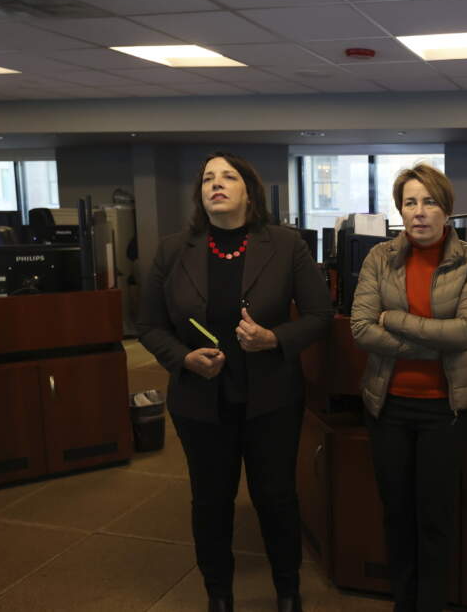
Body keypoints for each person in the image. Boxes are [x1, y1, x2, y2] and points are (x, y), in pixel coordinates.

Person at [138, 152, 333, 612]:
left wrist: (274, 338)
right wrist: (184, 358)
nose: (216, 184)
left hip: (271, 399)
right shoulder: (172, 250)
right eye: (207, 177)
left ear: (249, 191)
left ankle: (288, 591)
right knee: (210, 502)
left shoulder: (286, 246)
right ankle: (218, 595)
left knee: (276, 498)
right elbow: (147, 324)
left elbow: (320, 315)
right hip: (200, 400)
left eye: (228, 177)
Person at [350, 164, 467, 612]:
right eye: (410, 202)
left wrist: (395, 321)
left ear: (446, 210)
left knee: (434, 520)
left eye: (429, 201)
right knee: (396, 515)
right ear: (400, 210)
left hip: (444, 411)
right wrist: (432, 337)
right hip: (388, 406)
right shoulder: (379, 258)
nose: (420, 211)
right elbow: (360, 329)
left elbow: (466, 332)